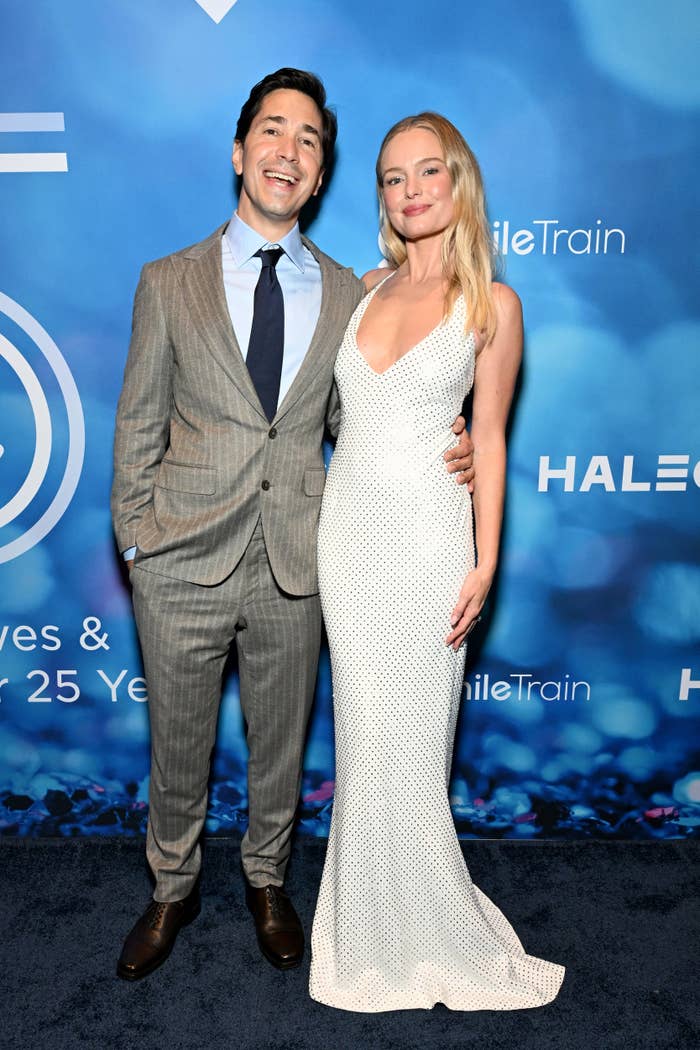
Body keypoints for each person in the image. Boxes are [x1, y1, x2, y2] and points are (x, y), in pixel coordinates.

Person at [111, 71, 474, 981]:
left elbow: (366, 420)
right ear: (241, 153)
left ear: (319, 175)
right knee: (178, 746)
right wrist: (138, 541)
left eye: (309, 141)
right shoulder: (168, 281)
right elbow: (137, 423)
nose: (289, 151)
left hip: (305, 560)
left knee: (282, 744)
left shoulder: (356, 293)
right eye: (274, 132)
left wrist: (449, 436)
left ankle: (268, 882)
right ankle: (170, 888)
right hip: (181, 560)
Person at [309, 113, 566, 1011]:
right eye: (391, 177)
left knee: (414, 750)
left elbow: (487, 436)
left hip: (427, 542)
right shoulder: (363, 289)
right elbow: (331, 416)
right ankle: (365, 931)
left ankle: (425, 930)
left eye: (428, 171)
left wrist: (486, 561)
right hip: (347, 537)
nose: (410, 191)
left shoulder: (494, 304)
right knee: (363, 741)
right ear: (379, 196)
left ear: (459, 181)